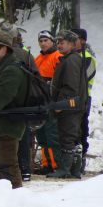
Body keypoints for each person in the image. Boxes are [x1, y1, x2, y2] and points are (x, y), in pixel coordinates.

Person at [0, 31, 28, 189]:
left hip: (8, 125)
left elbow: (1, 97)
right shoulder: (3, 66)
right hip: (0, 124)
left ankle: (15, 202)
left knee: (7, 166)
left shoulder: (11, 69)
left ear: (4, 49)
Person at [0, 21, 38, 182]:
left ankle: (6, 170)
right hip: (23, 102)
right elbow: (36, 78)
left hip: (4, 102)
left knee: (4, 136)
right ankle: (24, 169)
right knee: (22, 135)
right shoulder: (26, 55)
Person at [47, 30, 87, 179]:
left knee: (67, 136)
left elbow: (70, 86)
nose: (59, 45)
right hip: (75, 104)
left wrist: (60, 104)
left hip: (70, 105)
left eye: (62, 42)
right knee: (73, 136)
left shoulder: (71, 61)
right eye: (58, 42)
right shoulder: (72, 59)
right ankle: (75, 170)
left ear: (71, 44)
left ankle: (65, 169)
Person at [34, 30, 63, 175]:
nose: (43, 43)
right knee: (42, 134)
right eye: (41, 41)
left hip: (51, 100)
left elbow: (62, 80)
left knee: (52, 134)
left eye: (46, 40)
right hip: (40, 101)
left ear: (52, 41)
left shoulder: (57, 56)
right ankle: (47, 164)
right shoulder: (38, 59)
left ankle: (56, 164)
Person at [71, 28, 97, 174]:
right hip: (71, 97)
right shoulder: (70, 57)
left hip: (83, 98)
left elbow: (81, 79)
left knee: (81, 128)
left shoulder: (88, 58)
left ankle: (81, 159)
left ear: (82, 40)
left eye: (75, 38)